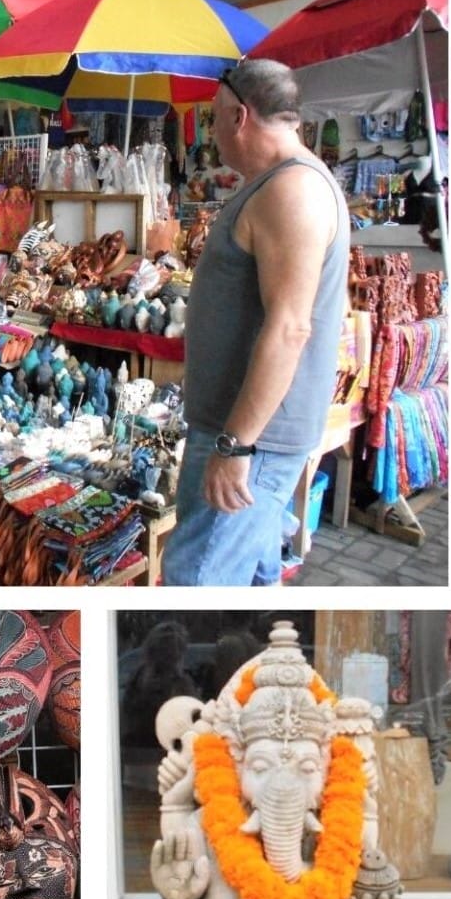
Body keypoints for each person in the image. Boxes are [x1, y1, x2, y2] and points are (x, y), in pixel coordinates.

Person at [163, 59, 349, 586]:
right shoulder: (277, 184)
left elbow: (291, 327)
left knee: (198, 580)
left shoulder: (292, 191)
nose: (212, 133)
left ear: (238, 115)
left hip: (251, 436)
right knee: (253, 577)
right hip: (245, 430)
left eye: (214, 119)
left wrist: (236, 445)